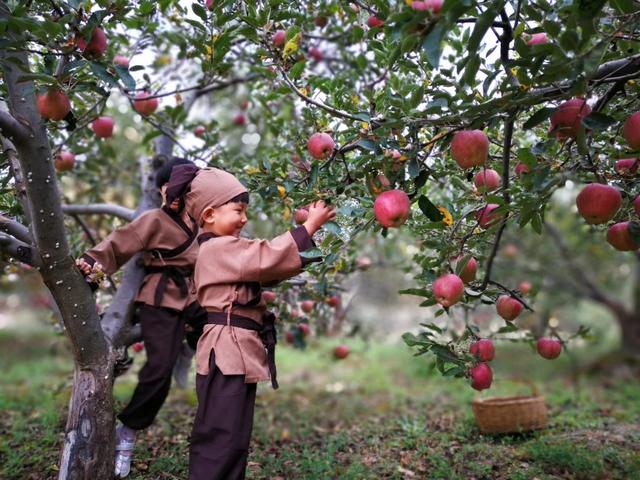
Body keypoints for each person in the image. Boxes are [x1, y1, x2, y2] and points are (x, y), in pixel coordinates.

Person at [164, 165, 336, 480]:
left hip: (233, 353)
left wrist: (309, 234)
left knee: (232, 436)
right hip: (226, 352)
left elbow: (268, 267)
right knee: (222, 435)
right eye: (238, 210)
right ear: (210, 214)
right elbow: (265, 256)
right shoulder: (218, 248)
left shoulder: (222, 248)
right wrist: (308, 226)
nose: (244, 218)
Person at [75, 157, 203, 478]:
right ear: (163, 190)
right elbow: (122, 240)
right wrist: (93, 264)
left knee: (226, 332)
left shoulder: (203, 221)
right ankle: (128, 432)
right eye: (175, 187)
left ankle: (194, 357)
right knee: (159, 370)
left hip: (197, 296)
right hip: (161, 298)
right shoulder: (154, 220)